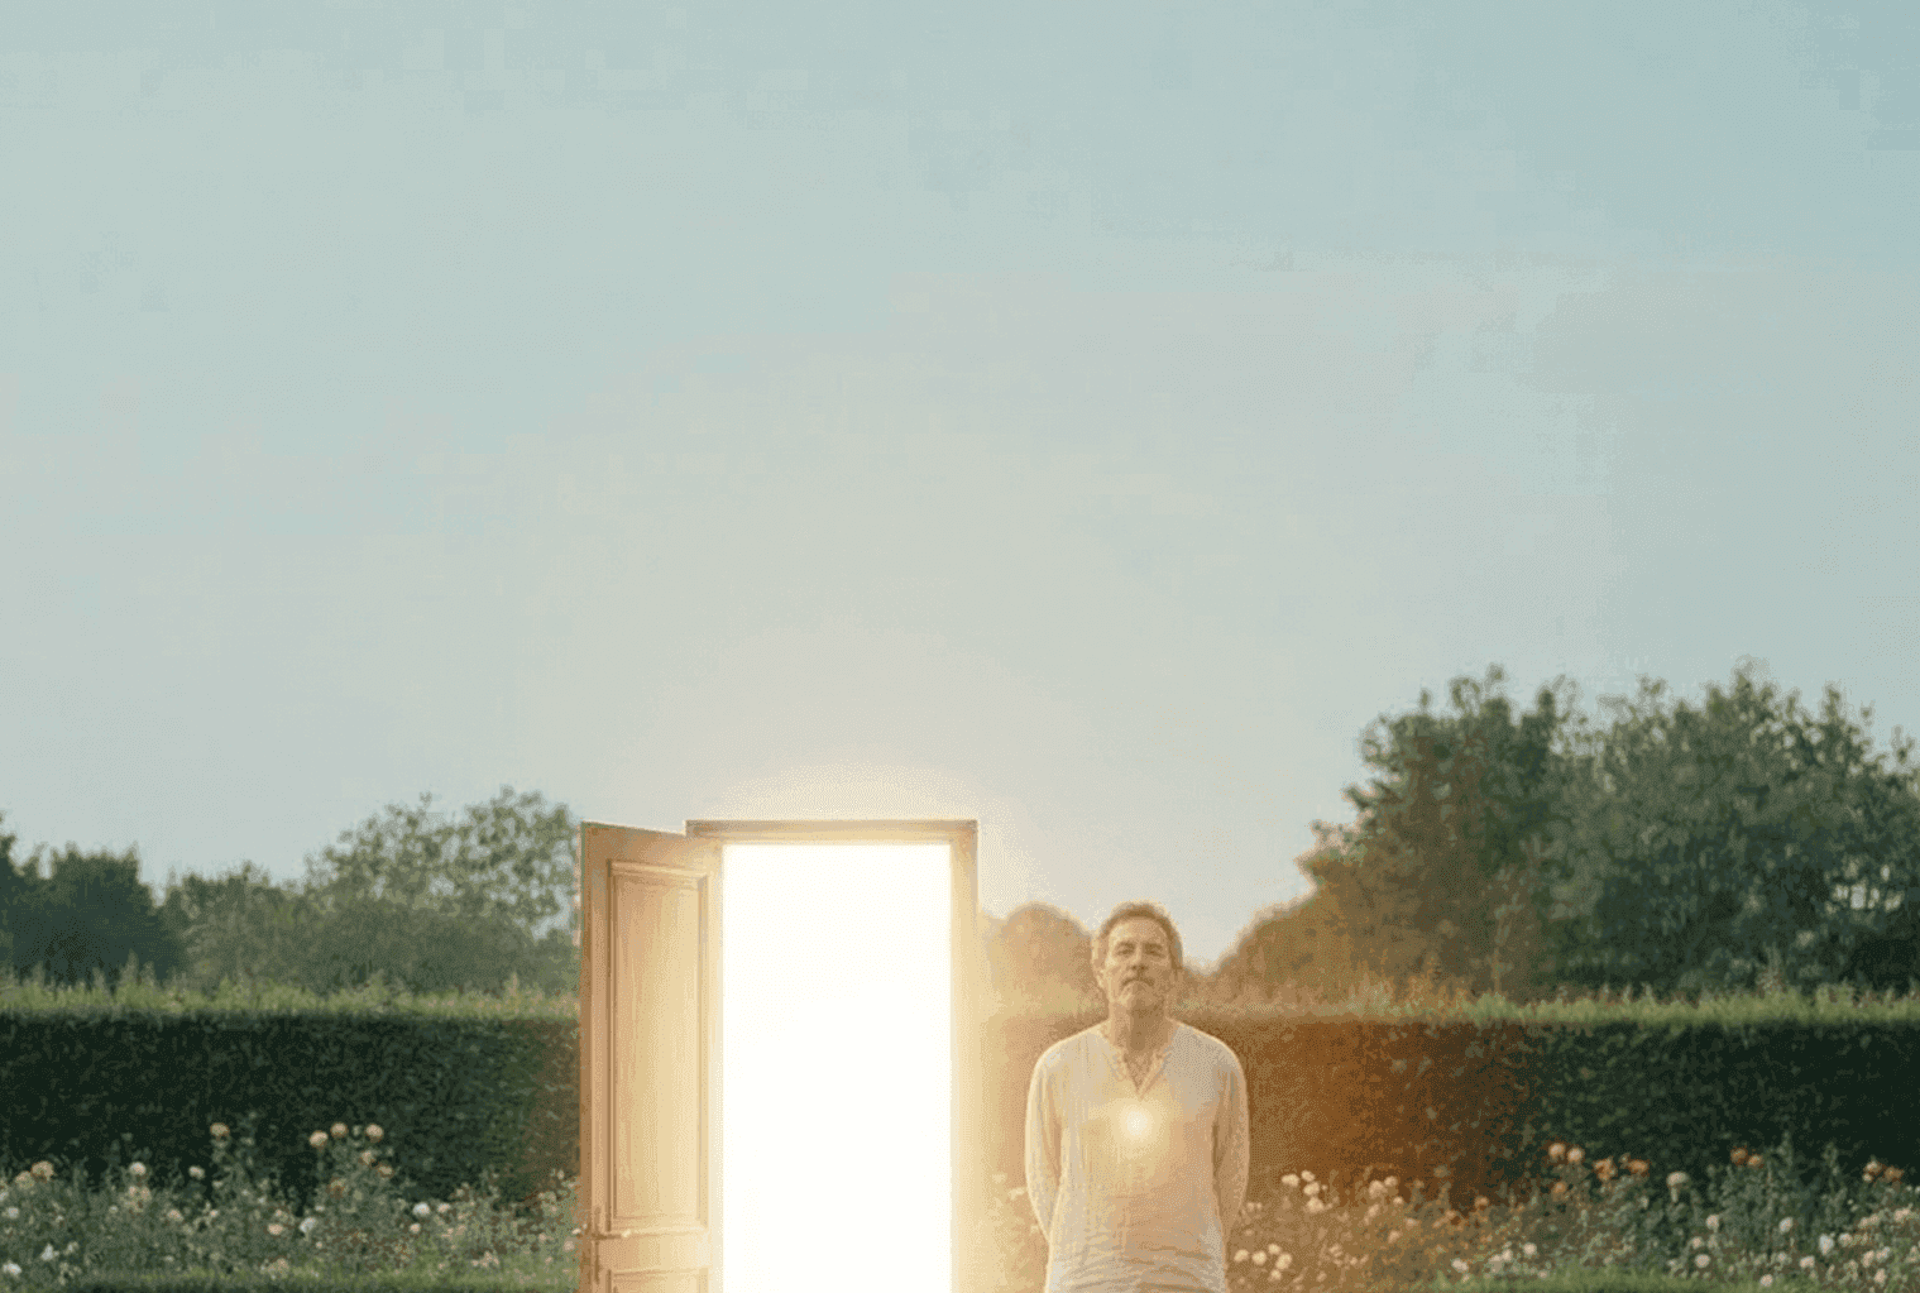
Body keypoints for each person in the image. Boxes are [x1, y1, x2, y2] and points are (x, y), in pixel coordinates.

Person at [1024, 901, 1251, 1293]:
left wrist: (1192, 1252)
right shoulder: (1058, 1066)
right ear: (1101, 972)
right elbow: (1044, 1181)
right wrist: (1087, 1253)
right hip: (1086, 1281)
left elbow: (1230, 1177)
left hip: (1187, 1281)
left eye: (1154, 952)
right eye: (1124, 950)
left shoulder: (1216, 1064)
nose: (1138, 962)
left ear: (1174, 975)